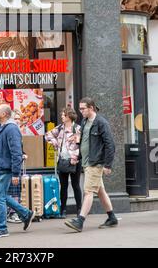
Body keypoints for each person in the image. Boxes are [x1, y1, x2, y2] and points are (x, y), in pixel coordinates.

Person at [0, 104, 35, 239]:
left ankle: (2, 228)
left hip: (5, 169)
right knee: (2, 196)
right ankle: (26, 214)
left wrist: (16, 173)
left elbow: (16, 153)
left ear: (4, 114)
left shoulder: (11, 129)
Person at [65, 97, 118, 232]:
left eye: (83, 108)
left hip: (95, 163)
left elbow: (110, 145)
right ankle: (112, 218)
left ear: (91, 108)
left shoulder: (101, 123)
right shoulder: (84, 121)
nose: (80, 111)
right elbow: (84, 141)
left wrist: (108, 165)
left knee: (88, 191)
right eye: (80, 108)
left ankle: (80, 221)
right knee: (100, 191)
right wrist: (78, 156)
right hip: (86, 162)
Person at [45, 107, 82, 218]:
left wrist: (75, 158)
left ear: (69, 116)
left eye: (63, 115)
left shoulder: (78, 129)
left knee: (76, 185)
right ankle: (63, 210)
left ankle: (79, 209)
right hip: (62, 160)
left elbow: (80, 145)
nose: (61, 116)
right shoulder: (60, 128)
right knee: (63, 186)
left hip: (75, 161)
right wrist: (55, 143)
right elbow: (47, 135)